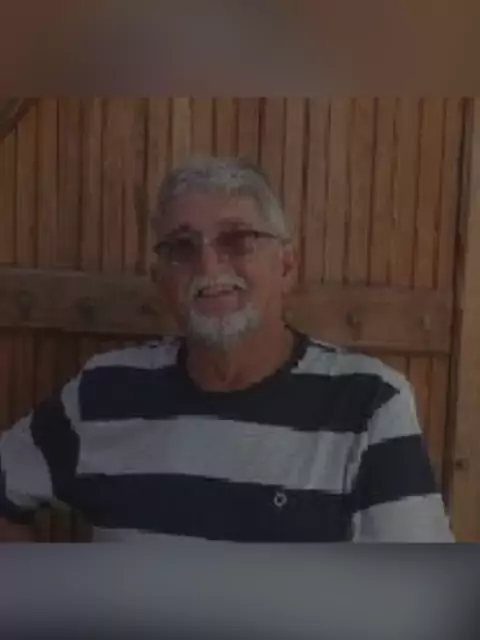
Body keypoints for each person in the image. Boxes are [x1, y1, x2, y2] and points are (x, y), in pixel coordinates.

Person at [0, 155, 453, 542]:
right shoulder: (103, 391)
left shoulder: (369, 405)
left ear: (286, 266)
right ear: (160, 281)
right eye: (182, 247)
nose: (209, 265)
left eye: (238, 240)